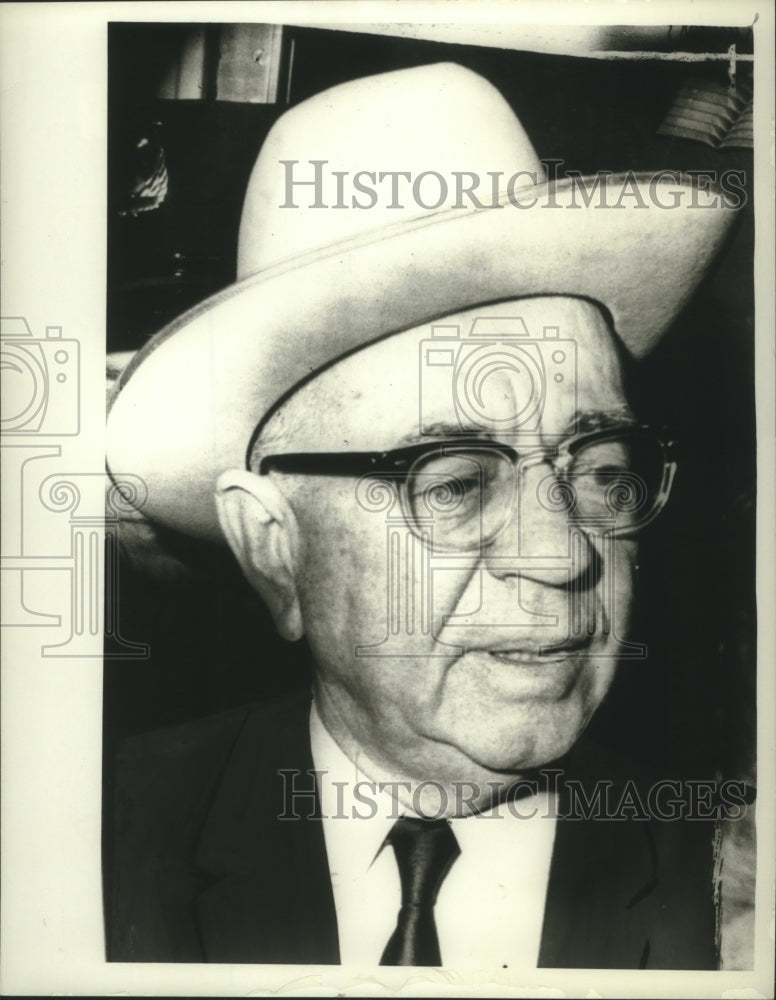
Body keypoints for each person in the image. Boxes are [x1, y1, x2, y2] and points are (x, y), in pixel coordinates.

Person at [105, 63, 739, 968]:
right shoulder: (75, 847)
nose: (562, 557)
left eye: (601, 471)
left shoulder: (734, 878)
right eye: (455, 484)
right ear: (272, 549)